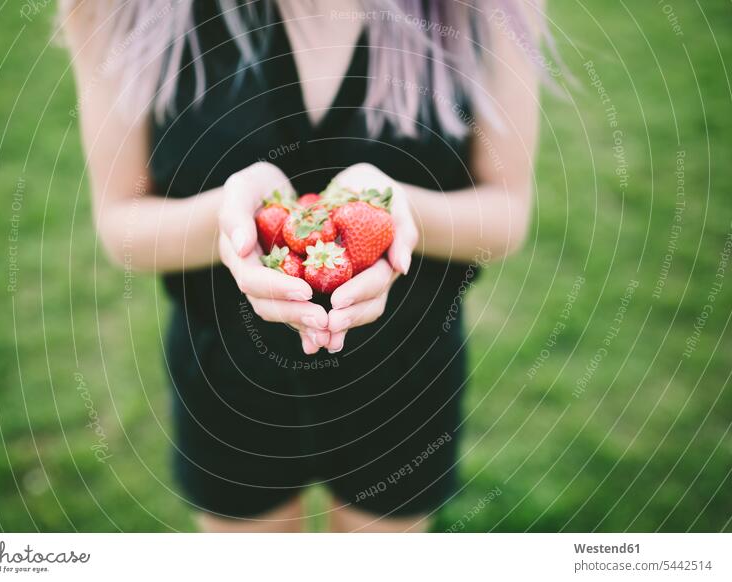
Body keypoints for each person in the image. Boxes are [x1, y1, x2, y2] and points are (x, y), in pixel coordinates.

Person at [60, 0, 542, 532]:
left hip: (407, 371)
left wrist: (395, 208)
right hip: (226, 377)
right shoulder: (115, 8)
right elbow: (119, 224)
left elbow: (507, 213)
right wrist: (230, 220)